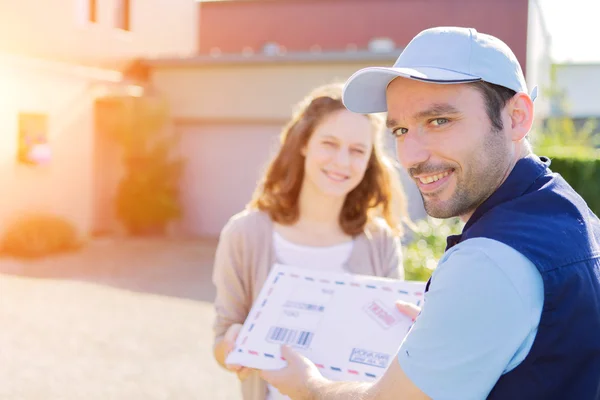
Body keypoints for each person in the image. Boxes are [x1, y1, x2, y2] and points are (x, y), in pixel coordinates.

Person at [261, 26, 600, 400]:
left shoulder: (489, 260)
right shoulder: (570, 211)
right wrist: (444, 322)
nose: (412, 156)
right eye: (401, 130)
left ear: (517, 117)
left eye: (439, 121)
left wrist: (309, 386)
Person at [211, 83, 413, 400]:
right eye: (329, 144)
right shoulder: (245, 234)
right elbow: (223, 340)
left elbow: (392, 348)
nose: (342, 161)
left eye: (357, 150)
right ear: (304, 143)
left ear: (369, 159)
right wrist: (234, 344)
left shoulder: (380, 241)